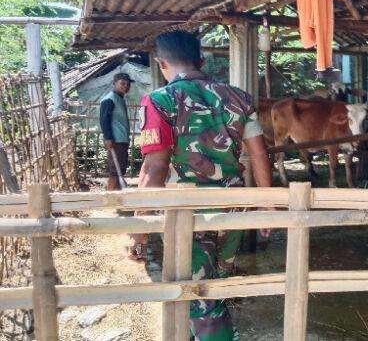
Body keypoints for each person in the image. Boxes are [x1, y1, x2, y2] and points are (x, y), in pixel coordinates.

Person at [134, 31, 272, 340]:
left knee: (199, 299)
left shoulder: (159, 101)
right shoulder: (239, 98)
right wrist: (267, 205)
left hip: (187, 214)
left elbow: (154, 167)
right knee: (216, 288)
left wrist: (139, 228)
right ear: (202, 61)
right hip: (232, 211)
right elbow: (259, 154)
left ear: (161, 63)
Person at [99, 72, 133, 191]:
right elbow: (104, 120)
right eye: (122, 83)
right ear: (114, 83)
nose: (126, 86)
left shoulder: (120, 99)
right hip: (115, 140)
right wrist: (108, 138)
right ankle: (111, 195)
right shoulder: (109, 99)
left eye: (128, 84)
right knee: (115, 170)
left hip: (122, 140)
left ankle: (118, 195)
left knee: (120, 169)